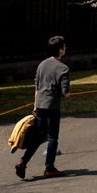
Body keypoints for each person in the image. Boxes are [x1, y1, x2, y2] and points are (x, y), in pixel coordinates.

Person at [17, 36, 70, 180]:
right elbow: (65, 92)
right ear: (60, 49)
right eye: (64, 46)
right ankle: (49, 168)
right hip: (52, 105)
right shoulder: (63, 68)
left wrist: (35, 104)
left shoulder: (42, 64)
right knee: (53, 137)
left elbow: (37, 85)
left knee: (39, 136)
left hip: (39, 104)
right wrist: (66, 92)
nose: (65, 48)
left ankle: (23, 161)